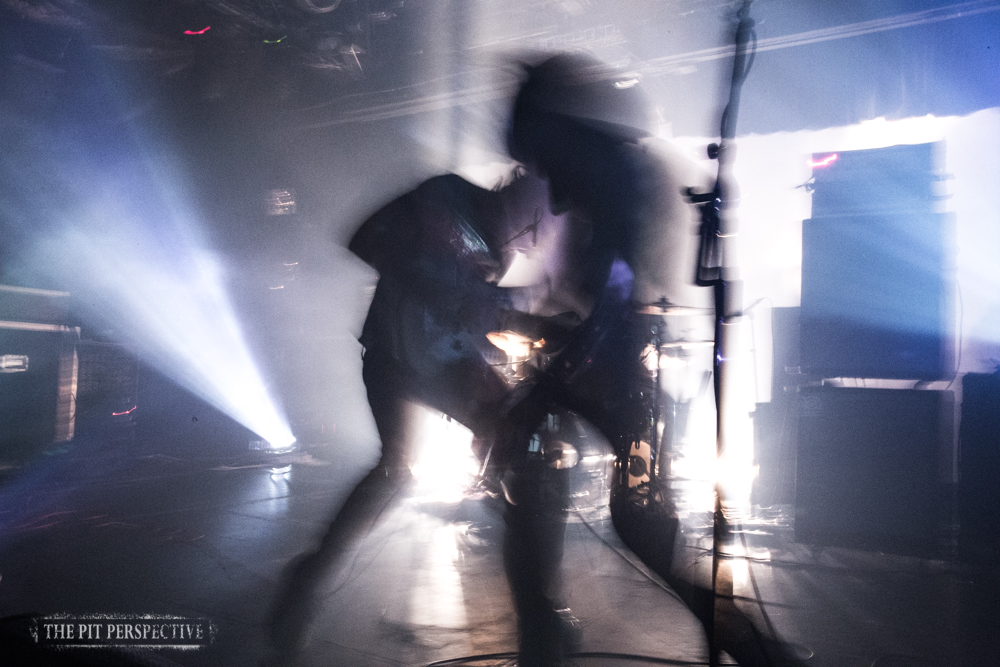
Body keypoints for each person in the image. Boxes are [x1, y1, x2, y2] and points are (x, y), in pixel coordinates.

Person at [499, 52, 807, 667]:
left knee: (637, 524)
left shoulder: (614, 175)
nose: (547, 187)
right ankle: (544, 634)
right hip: (606, 371)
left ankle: (760, 653)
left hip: (616, 376)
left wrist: (548, 379)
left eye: (541, 157)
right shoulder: (602, 170)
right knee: (540, 492)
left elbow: (615, 288)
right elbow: (594, 288)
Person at [264, 171, 572, 665]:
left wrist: (530, 325)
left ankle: (540, 615)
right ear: (517, 193)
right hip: (391, 355)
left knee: (517, 455)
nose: (534, 237)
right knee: (395, 470)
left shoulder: (500, 252)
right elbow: (365, 238)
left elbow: (471, 318)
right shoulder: (447, 195)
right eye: (537, 217)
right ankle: (308, 582)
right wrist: (430, 279)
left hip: (441, 367)